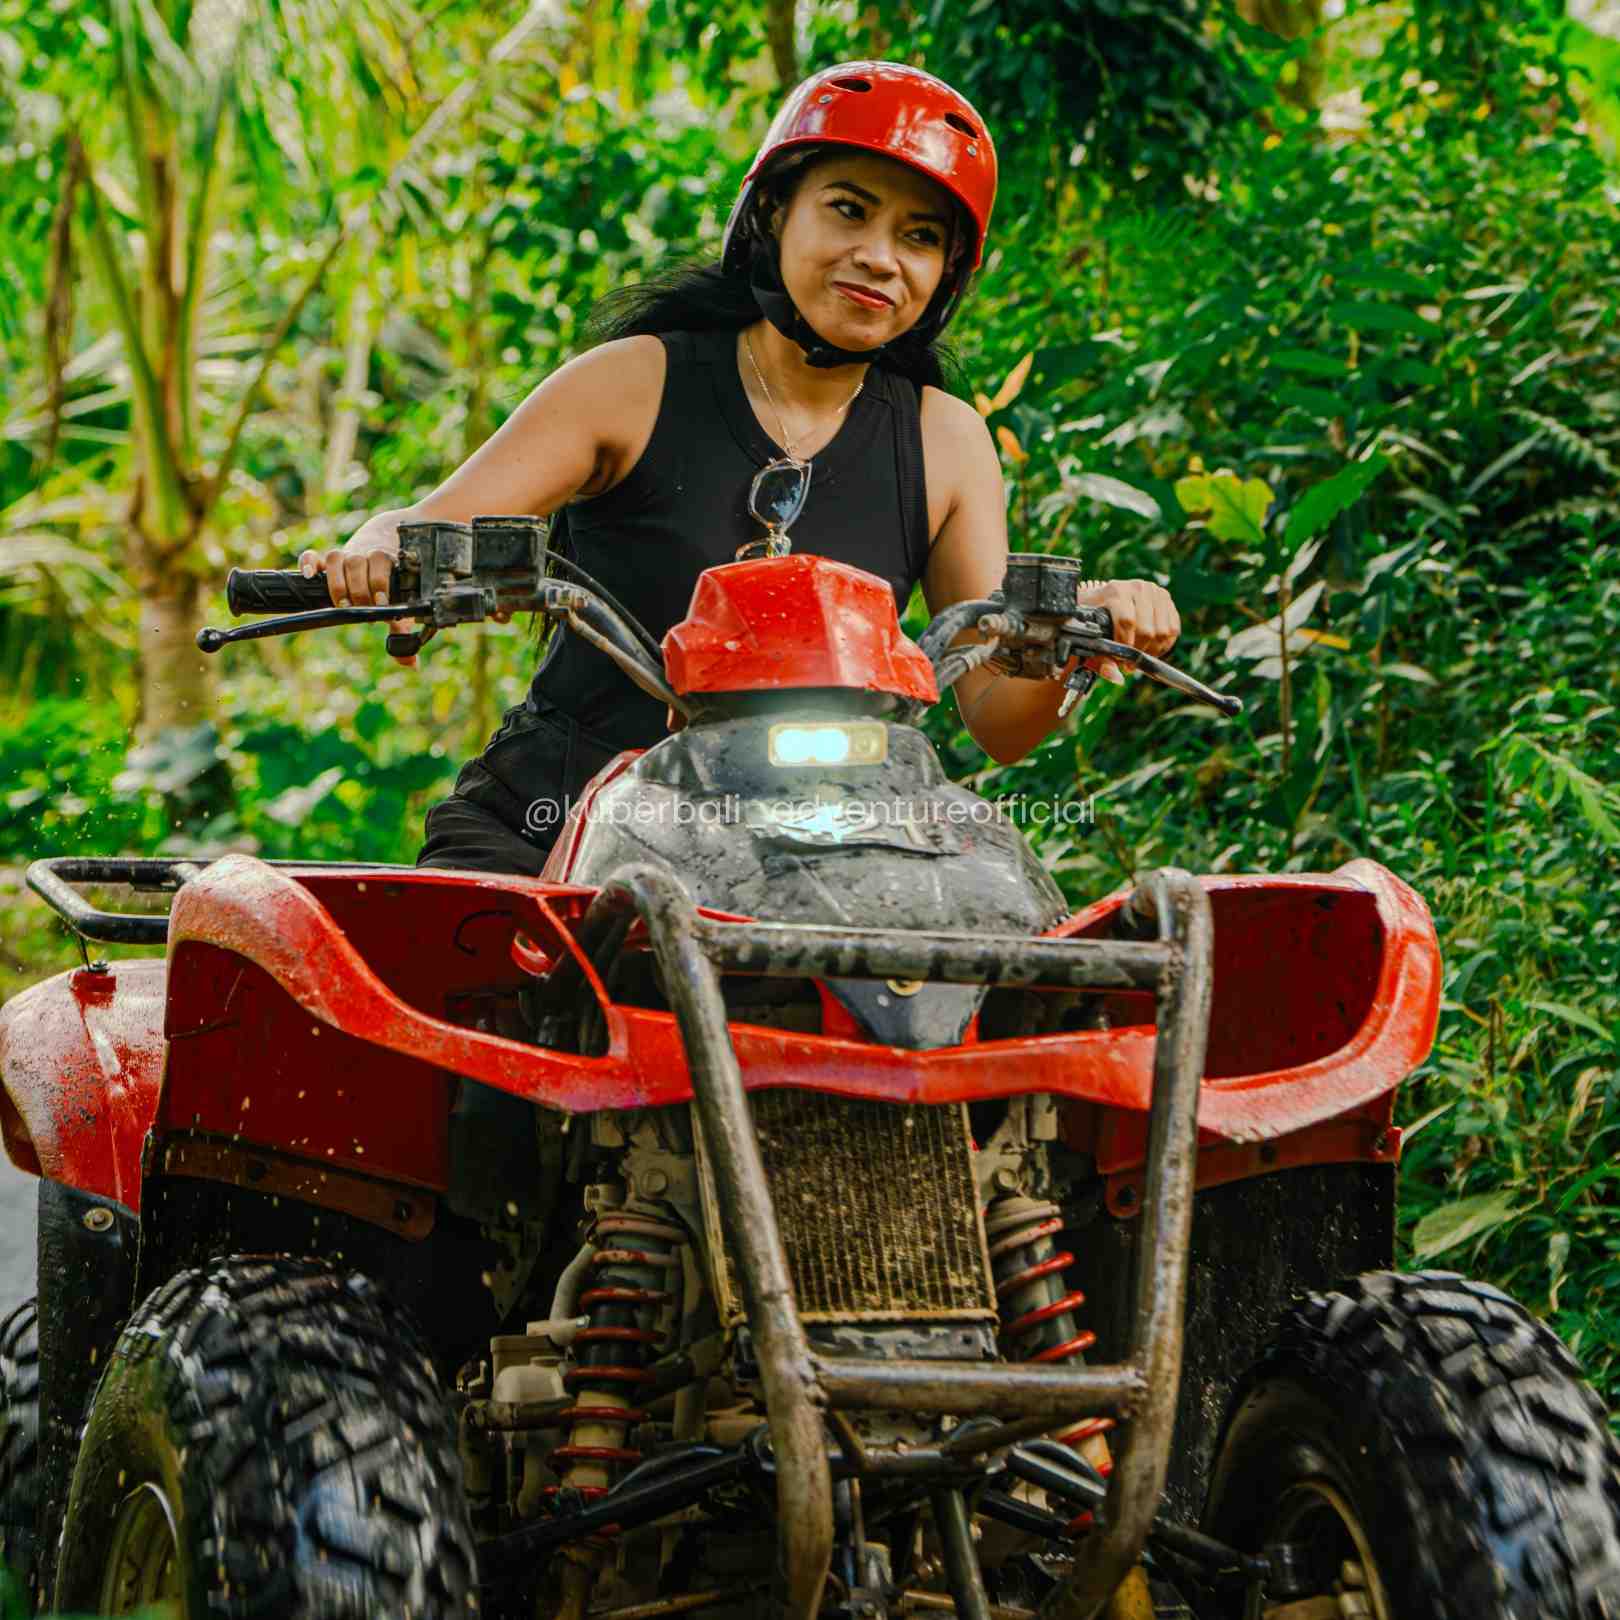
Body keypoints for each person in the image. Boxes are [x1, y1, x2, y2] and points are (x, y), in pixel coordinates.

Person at [301, 60, 1180, 877]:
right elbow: (430, 522)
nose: (880, 256)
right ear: (772, 215)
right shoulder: (634, 381)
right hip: (549, 826)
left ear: (945, 273)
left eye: (918, 236)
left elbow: (998, 718)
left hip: (804, 860)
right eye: (848, 210)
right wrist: (379, 545)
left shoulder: (944, 440)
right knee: (455, 979)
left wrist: (1080, 641)